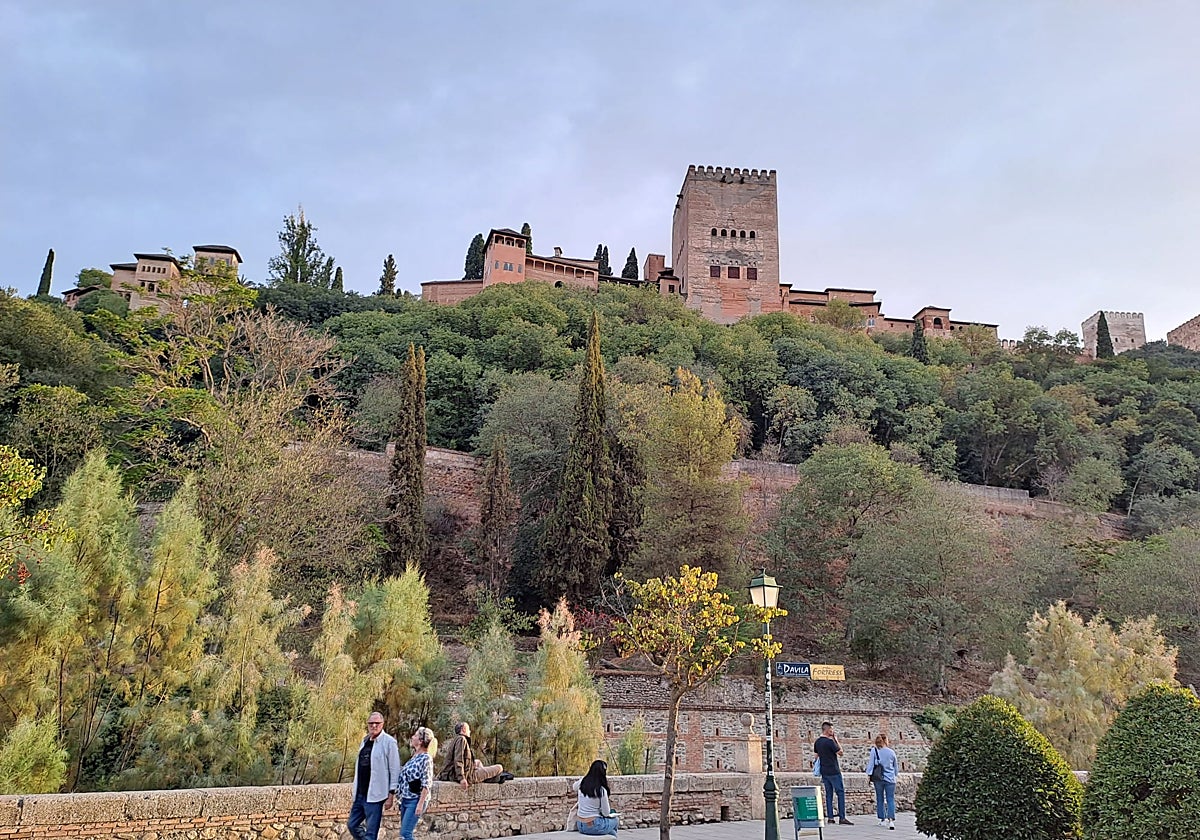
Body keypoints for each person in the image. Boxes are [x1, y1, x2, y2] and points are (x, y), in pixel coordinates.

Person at [348, 711, 402, 840]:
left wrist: (391, 795)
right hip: (361, 794)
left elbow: (394, 769)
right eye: (371, 723)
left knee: (371, 834)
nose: (374, 726)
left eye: (377, 723)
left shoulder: (389, 742)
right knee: (352, 825)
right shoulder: (365, 741)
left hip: (376, 796)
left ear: (382, 724)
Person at [437, 722, 512, 787]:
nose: (470, 731)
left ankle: (484, 777)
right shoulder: (461, 739)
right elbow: (458, 760)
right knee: (499, 767)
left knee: (478, 762)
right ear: (463, 729)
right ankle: (485, 778)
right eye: (468, 729)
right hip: (467, 775)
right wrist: (462, 778)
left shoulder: (456, 739)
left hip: (456, 772)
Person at [397, 726, 438, 840]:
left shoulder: (426, 758)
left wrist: (420, 804)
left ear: (420, 741)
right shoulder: (415, 756)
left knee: (406, 834)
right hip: (406, 799)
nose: (412, 737)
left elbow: (427, 783)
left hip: (415, 800)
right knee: (404, 834)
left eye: (415, 735)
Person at [814, 721, 853, 825]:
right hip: (834, 771)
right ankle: (842, 817)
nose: (833, 731)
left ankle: (830, 817)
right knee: (840, 793)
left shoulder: (817, 742)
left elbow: (816, 756)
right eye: (831, 729)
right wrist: (836, 740)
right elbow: (841, 753)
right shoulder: (830, 742)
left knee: (829, 794)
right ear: (827, 730)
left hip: (824, 771)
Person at [574, 759, 618, 836]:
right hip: (594, 825)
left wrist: (585, 778)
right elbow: (606, 813)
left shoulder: (581, 785)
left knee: (612, 833)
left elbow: (574, 786)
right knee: (615, 820)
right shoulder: (601, 790)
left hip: (580, 824)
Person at [865, 733, 899, 830]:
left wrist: (869, 775)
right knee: (890, 799)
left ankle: (882, 819)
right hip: (890, 779)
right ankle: (891, 820)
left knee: (880, 798)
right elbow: (895, 767)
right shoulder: (891, 752)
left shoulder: (874, 751)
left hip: (878, 779)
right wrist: (895, 775)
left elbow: (871, 764)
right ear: (885, 741)